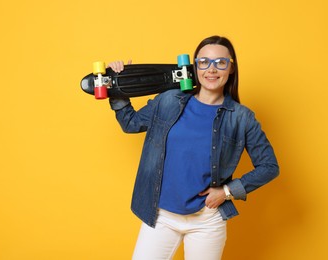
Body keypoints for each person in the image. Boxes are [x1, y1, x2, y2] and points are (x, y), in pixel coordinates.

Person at [107, 35, 279, 260]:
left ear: (231, 68)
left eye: (221, 63)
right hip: (160, 217)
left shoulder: (241, 117)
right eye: (204, 62)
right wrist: (119, 83)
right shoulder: (169, 100)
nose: (212, 69)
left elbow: (269, 166)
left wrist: (227, 192)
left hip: (207, 220)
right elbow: (130, 123)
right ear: (195, 66)